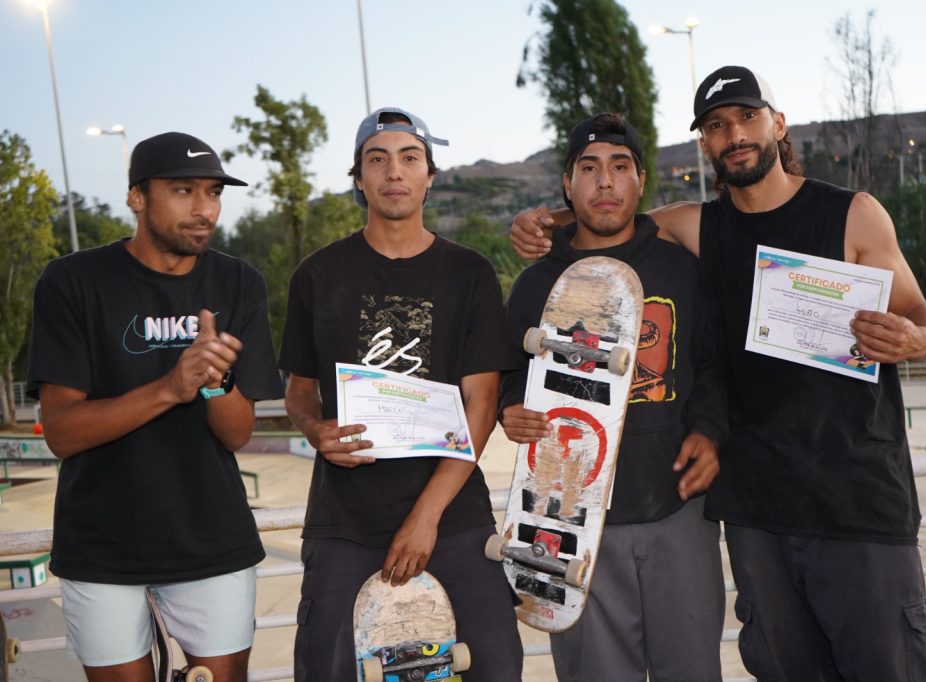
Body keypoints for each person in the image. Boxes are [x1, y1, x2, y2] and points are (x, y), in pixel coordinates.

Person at [510, 66, 926, 680]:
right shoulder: (701, 227)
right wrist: (543, 222)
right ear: (705, 144)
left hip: (857, 505)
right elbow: (616, 217)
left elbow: (924, 317)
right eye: (717, 125)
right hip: (756, 514)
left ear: (778, 123)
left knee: (892, 667)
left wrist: (915, 338)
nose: (735, 134)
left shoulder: (852, 214)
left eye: (747, 117)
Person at [27, 132, 283, 682]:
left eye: (213, 192)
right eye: (183, 190)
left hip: (211, 538)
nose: (203, 208)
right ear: (137, 197)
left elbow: (237, 435)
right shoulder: (73, 281)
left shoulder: (238, 281)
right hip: (101, 544)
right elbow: (62, 432)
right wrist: (171, 386)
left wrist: (215, 384)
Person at [279, 107, 522, 681]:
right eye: (377, 159)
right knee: (328, 669)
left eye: (410, 158)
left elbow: (482, 404)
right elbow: (299, 391)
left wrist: (426, 516)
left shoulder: (469, 273)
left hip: (453, 514)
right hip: (345, 520)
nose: (394, 171)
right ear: (359, 177)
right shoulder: (317, 275)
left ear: (429, 176)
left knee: (494, 664)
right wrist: (315, 429)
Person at [500, 113, 726, 681]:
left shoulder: (682, 269)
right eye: (589, 168)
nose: (605, 181)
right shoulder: (537, 283)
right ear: (567, 184)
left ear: (640, 180)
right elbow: (509, 373)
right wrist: (511, 409)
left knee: (692, 671)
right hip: (570, 517)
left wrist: (709, 432)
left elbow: (712, 366)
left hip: (677, 506)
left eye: (620, 167)